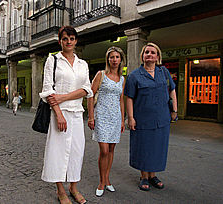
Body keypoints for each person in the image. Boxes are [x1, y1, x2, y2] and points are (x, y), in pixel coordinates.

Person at [39, 26, 93, 204]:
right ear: (60, 41)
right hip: (58, 114)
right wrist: (59, 114)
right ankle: (60, 190)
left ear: (76, 41)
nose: (68, 42)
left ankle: (74, 187)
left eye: (71, 38)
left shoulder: (82, 64)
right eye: (65, 39)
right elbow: (47, 90)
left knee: (77, 152)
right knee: (58, 152)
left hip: (77, 113)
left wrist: (64, 97)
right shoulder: (52, 60)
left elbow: (86, 89)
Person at [124, 42, 177, 191]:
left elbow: (172, 91)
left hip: (162, 118)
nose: (149, 54)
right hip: (142, 119)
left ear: (157, 56)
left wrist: (175, 111)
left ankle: (153, 176)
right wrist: (131, 117)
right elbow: (129, 98)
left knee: (157, 148)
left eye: (153, 52)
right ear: (142, 56)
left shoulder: (164, 72)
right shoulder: (134, 75)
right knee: (144, 147)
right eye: (147, 52)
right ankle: (144, 177)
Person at [87, 46, 126, 197]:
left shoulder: (122, 79)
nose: (114, 60)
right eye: (111, 57)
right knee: (103, 150)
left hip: (115, 117)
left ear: (121, 59)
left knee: (111, 150)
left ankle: (107, 179)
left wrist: (123, 120)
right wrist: (91, 117)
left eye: (117, 57)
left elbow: (121, 100)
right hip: (102, 117)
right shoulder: (101, 74)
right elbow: (91, 95)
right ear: (108, 59)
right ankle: (101, 181)